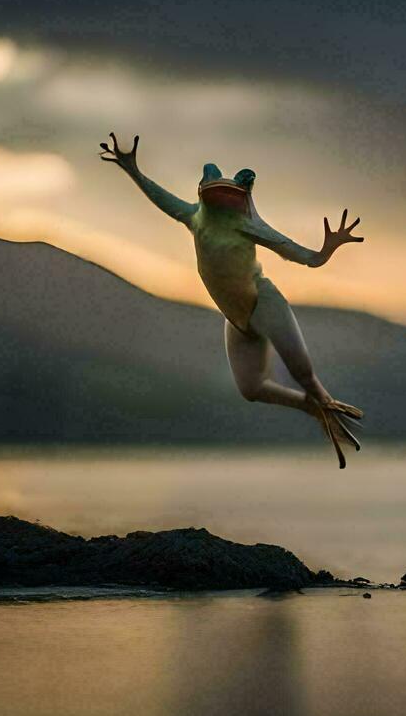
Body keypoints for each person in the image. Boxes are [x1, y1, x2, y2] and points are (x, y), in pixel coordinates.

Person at [99, 132, 365, 467]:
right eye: (209, 180)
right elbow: (160, 198)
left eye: (240, 184)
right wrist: (132, 170)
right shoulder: (195, 218)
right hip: (235, 319)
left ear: (244, 194)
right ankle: (312, 407)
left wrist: (329, 247)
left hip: (262, 302)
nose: (221, 186)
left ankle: (325, 404)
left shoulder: (247, 226)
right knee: (251, 389)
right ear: (202, 189)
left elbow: (307, 258)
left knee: (304, 374)